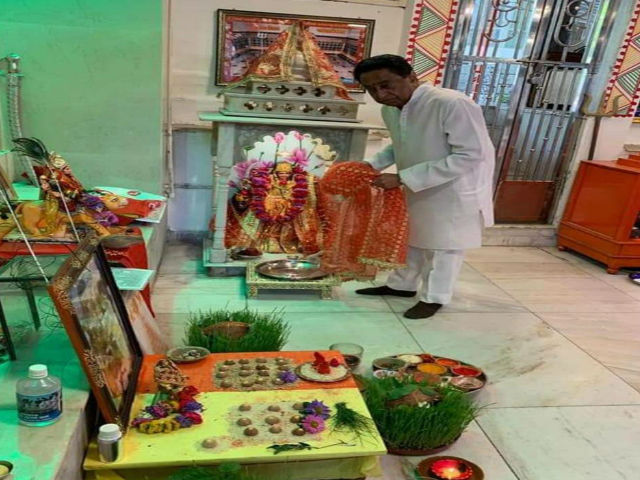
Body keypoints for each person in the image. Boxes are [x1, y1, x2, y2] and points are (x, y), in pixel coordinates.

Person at [354, 54, 495, 319]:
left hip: (453, 186)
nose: (380, 94)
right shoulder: (391, 109)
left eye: (386, 85)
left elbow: (470, 154)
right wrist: (371, 165)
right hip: (419, 183)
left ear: (412, 77)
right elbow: (400, 145)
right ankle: (402, 285)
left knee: (445, 246)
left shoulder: (451, 103)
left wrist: (402, 178)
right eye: (371, 89)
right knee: (415, 238)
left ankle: (435, 297)